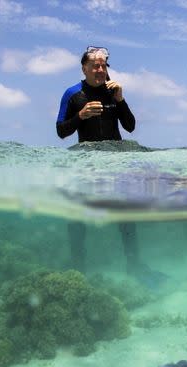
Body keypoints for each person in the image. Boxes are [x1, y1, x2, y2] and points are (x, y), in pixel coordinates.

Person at [56, 47, 156, 283]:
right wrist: (80, 116)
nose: (100, 70)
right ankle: (79, 271)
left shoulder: (113, 92)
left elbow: (130, 126)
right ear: (84, 68)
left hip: (116, 162)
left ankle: (134, 267)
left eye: (104, 65)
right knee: (78, 218)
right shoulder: (72, 94)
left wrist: (120, 100)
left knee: (125, 216)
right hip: (85, 163)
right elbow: (61, 131)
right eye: (95, 65)